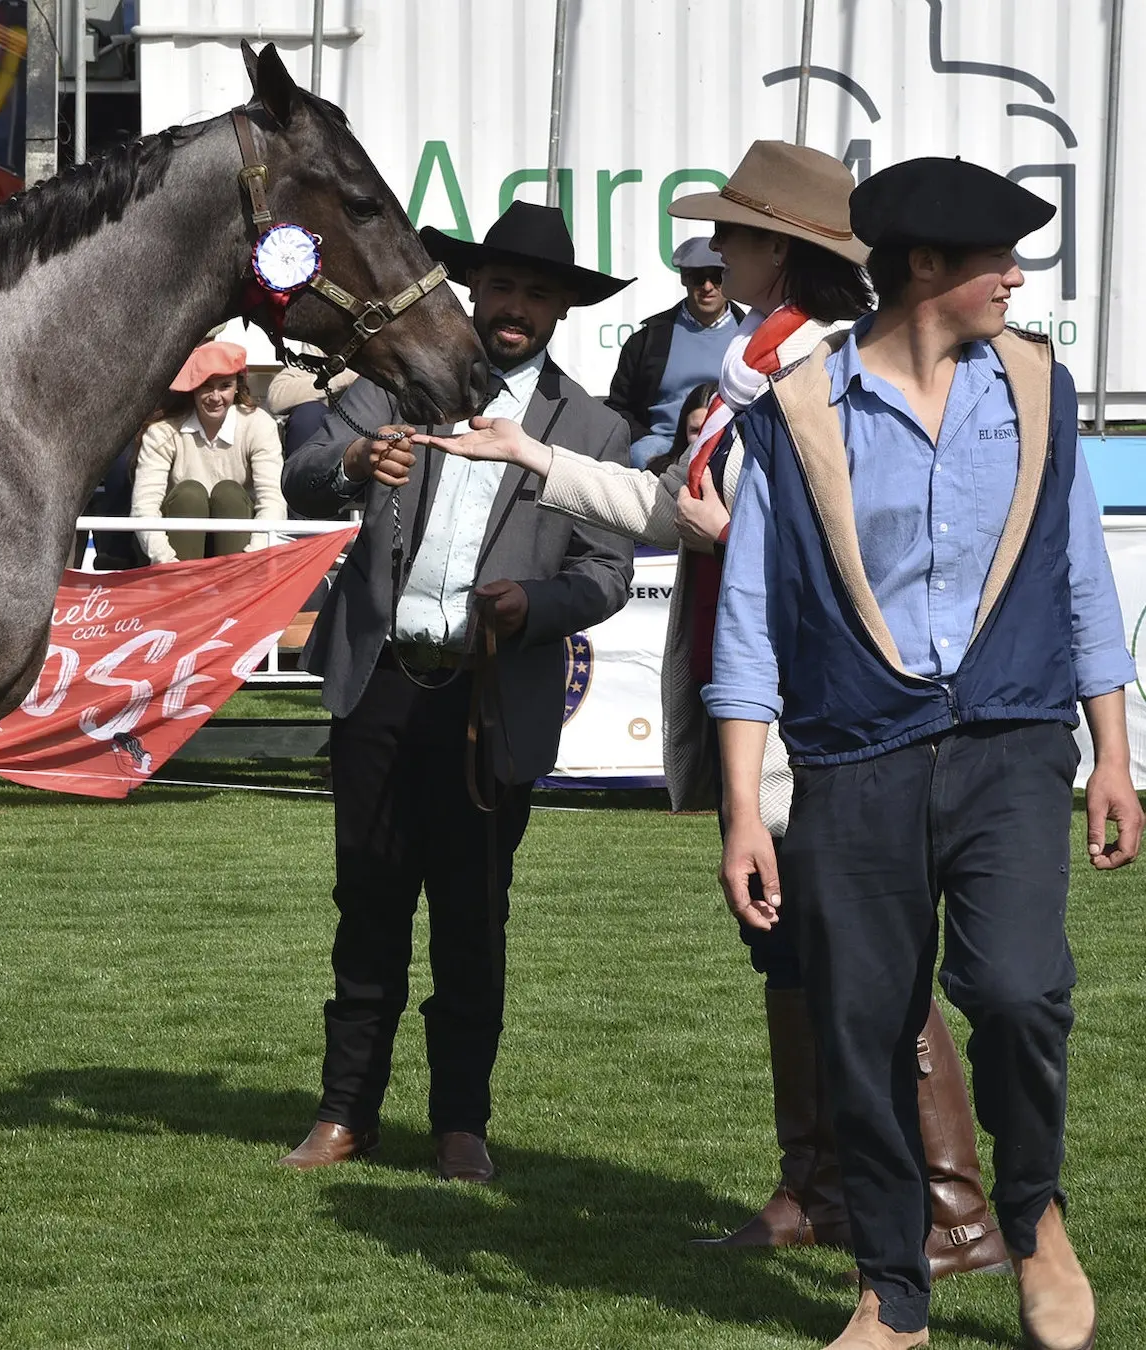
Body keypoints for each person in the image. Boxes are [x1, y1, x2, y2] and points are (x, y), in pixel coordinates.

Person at [411, 141, 1005, 1283]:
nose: (716, 251)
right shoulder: (765, 363)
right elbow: (691, 511)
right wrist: (531, 451)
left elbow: (758, 522)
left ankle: (950, 1208)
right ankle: (827, 1187)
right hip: (767, 682)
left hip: (819, 696)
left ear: (779, 248)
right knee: (789, 936)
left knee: (850, 938)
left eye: (733, 233)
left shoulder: (819, 367)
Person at [707, 156, 1140, 1349]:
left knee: (1015, 991)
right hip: (853, 759)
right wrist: (745, 811)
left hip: (1013, 743)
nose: (1015, 276)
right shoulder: (793, 417)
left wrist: (1113, 754)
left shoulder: (1040, 395)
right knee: (864, 1019)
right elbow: (750, 625)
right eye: (995, 256)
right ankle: (893, 1289)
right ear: (922, 269)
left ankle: (1034, 1211)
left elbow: (1083, 583)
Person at [276, 201, 635, 1183]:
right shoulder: (401, 379)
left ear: (564, 309)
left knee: (474, 920)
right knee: (367, 907)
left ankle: (460, 1124)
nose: (515, 306)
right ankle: (345, 1113)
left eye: (537, 292)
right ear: (474, 290)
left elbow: (607, 570)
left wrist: (538, 602)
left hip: (491, 703)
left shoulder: (594, 428)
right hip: (383, 683)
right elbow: (305, 469)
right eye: (503, 286)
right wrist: (355, 458)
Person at [131, 341, 286, 564]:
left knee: (229, 494)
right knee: (189, 494)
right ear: (193, 387)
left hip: (241, 552)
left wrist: (250, 558)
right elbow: (144, 507)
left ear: (237, 387)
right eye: (206, 386)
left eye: (224, 386)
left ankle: (234, 585)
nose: (215, 397)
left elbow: (273, 501)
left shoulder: (260, 425)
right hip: (176, 551)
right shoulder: (162, 432)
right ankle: (182, 585)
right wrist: (167, 562)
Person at [607, 236, 745, 468]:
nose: (708, 286)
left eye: (717, 276)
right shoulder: (647, 340)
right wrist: (644, 438)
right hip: (664, 446)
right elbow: (618, 406)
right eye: (699, 278)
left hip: (731, 444)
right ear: (684, 279)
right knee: (643, 453)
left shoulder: (751, 335)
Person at [643, 379, 718, 475]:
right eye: (695, 430)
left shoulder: (738, 476)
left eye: (710, 430)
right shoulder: (660, 472)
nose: (702, 439)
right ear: (684, 431)